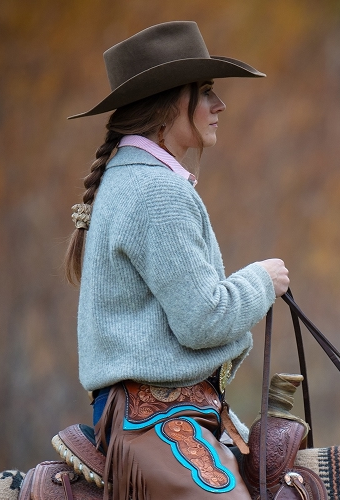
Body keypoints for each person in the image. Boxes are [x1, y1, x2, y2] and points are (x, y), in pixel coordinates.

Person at [65, 21, 289, 500]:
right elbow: (202, 320)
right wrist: (262, 281)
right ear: (169, 104)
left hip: (167, 411)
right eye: (205, 92)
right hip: (153, 419)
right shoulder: (156, 191)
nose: (219, 105)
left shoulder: (132, 178)